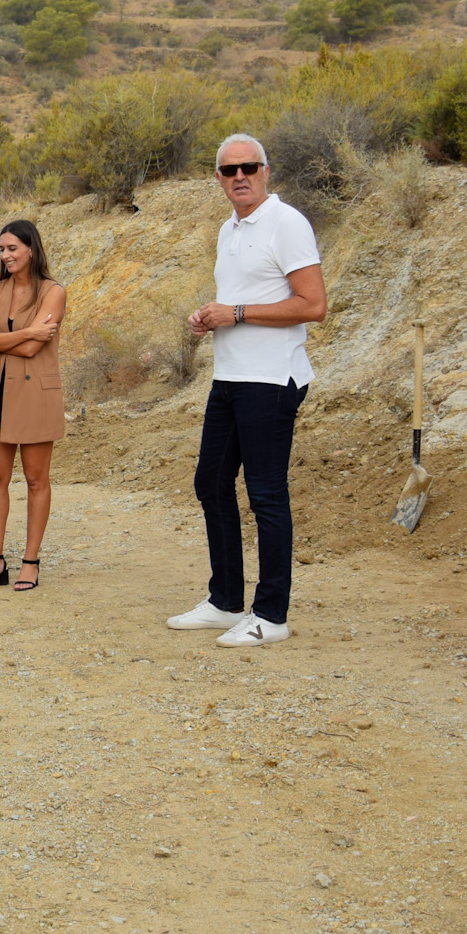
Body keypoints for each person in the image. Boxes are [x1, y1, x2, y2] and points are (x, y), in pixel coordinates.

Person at [167, 133, 327, 648]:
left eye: (249, 167)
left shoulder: (287, 223)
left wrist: (234, 313)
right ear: (217, 178)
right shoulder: (228, 229)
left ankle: (271, 615)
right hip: (230, 377)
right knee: (210, 483)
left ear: (266, 170)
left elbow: (312, 304)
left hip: (271, 380)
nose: (240, 176)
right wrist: (210, 316)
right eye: (229, 169)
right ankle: (225, 601)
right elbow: (243, 299)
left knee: (265, 495)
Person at [0, 220, 66, 593]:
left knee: (35, 480)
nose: (6, 255)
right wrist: (28, 331)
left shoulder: (53, 291)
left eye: (12, 248)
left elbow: (27, 350)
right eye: (1, 249)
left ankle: (31, 562)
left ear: (31, 249)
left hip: (36, 395)